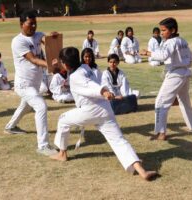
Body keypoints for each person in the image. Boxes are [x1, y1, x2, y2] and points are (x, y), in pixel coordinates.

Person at [50, 47, 158, 181]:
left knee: (62, 119)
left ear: (65, 64)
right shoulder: (85, 67)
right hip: (105, 109)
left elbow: (90, 85)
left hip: (90, 110)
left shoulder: (76, 76)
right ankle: (141, 171)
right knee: (118, 140)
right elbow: (88, 82)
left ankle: (62, 154)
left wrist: (103, 91)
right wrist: (104, 92)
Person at [4, 10, 58, 156]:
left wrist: (53, 38)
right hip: (23, 85)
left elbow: (47, 42)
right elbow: (33, 59)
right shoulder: (18, 41)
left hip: (34, 83)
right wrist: (51, 65)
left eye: (35, 23)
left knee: (25, 106)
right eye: (30, 23)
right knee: (41, 106)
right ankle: (43, 145)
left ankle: (10, 127)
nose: (33, 26)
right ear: (22, 24)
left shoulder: (38, 35)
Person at [140, 17, 192, 140]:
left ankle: (160, 133)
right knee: (184, 101)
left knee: (160, 102)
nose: (161, 33)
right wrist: (184, 66)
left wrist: (148, 53)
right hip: (185, 73)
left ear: (172, 30)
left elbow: (162, 55)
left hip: (175, 75)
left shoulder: (171, 42)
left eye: (164, 30)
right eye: (161, 30)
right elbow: (191, 58)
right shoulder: (182, 41)